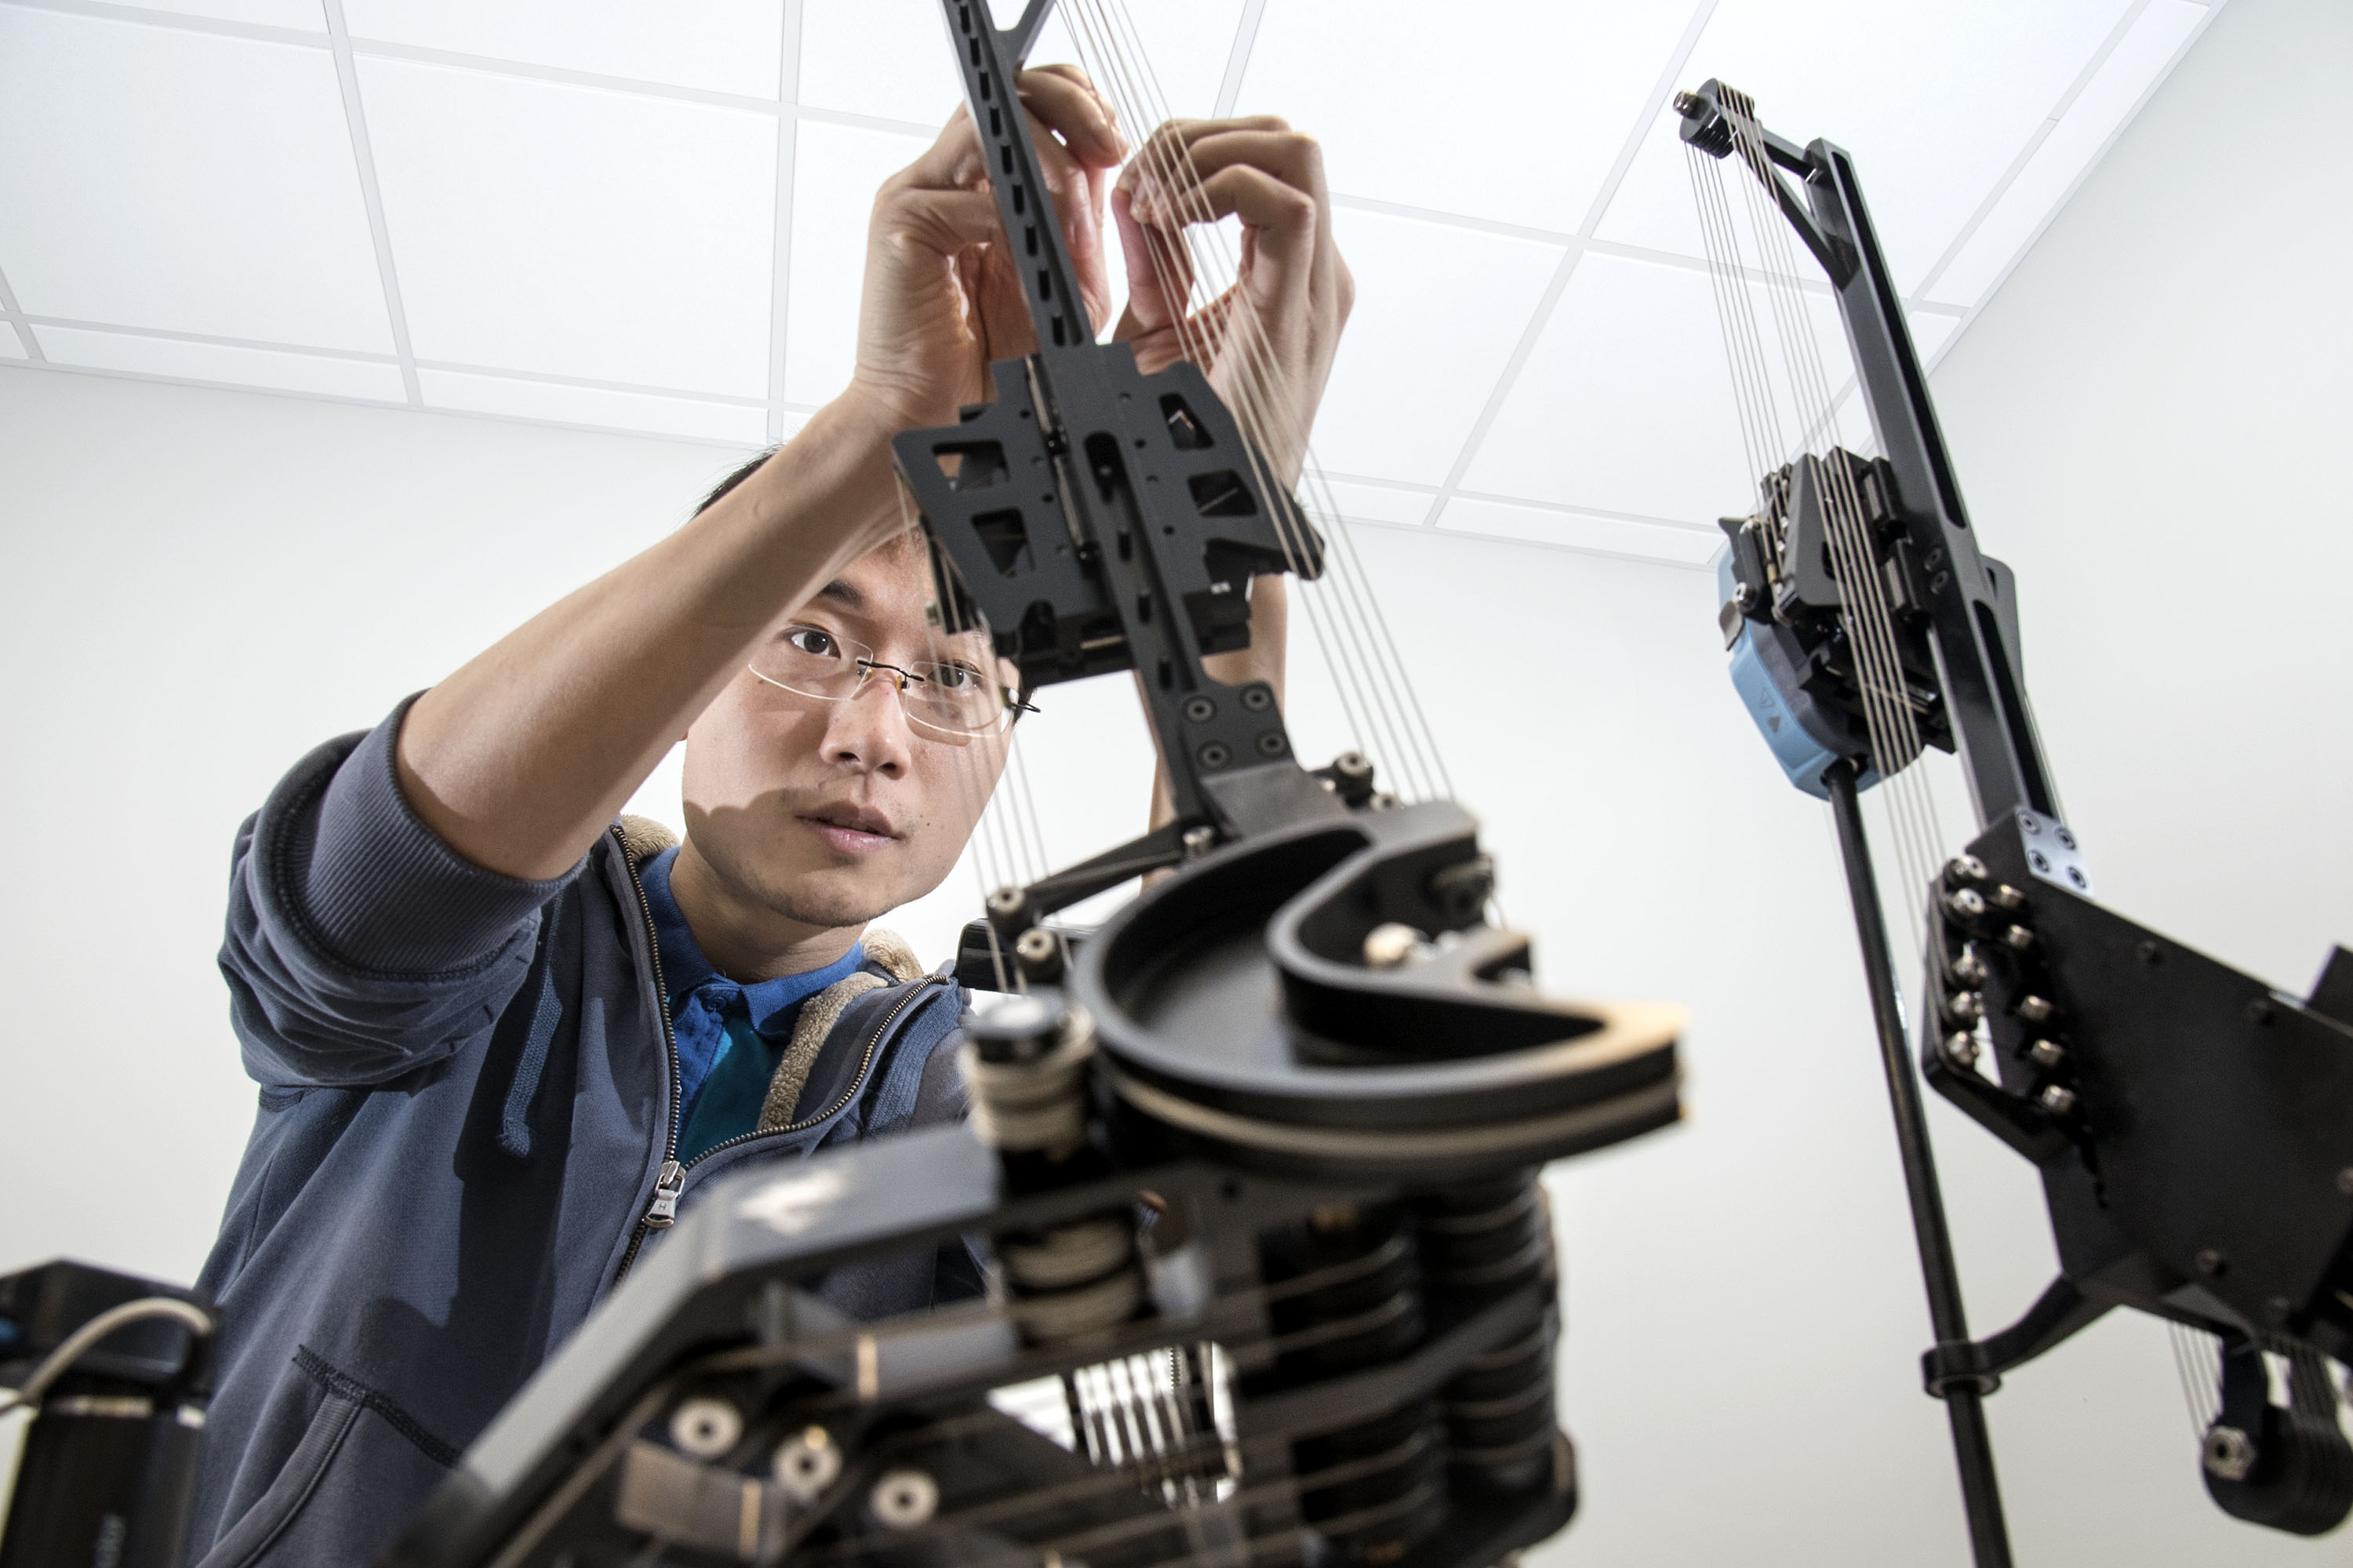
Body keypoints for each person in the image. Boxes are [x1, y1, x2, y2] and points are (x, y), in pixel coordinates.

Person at [176, 67, 1351, 1568]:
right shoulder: (487, 969)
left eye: (954, 679)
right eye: (810, 636)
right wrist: (871, 432)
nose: (872, 733)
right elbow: (361, 895)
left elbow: (1214, 1186)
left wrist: (1219, 537)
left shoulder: (966, 1081)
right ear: (686, 676)